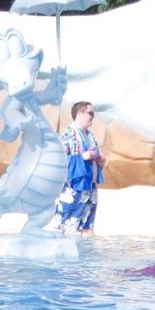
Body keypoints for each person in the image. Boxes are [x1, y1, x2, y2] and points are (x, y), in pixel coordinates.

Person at [55, 101, 106, 238]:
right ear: (79, 114)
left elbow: (93, 157)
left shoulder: (89, 136)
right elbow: (59, 161)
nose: (93, 117)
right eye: (90, 113)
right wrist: (83, 156)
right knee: (68, 230)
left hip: (90, 187)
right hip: (74, 189)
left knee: (88, 231)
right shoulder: (68, 135)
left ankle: (85, 259)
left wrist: (100, 161)